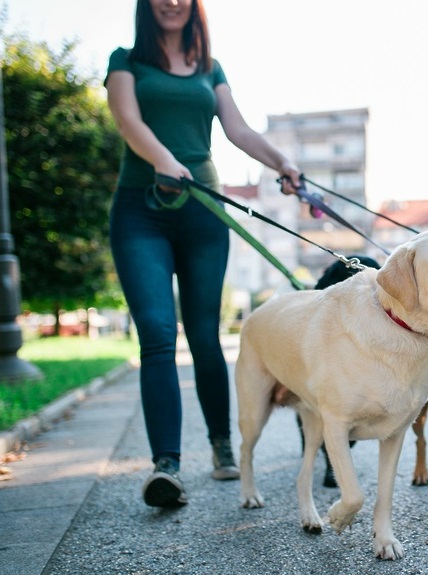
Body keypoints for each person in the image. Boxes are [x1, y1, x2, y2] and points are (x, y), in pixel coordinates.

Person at [104, 0, 300, 507]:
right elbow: (128, 121)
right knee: (156, 331)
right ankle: (165, 466)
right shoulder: (125, 60)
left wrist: (283, 162)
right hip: (140, 209)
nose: (171, 1)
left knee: (205, 336)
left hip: (203, 211)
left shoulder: (210, 69)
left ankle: (221, 446)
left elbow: (236, 130)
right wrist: (166, 161)